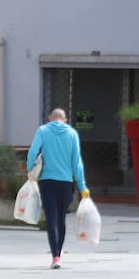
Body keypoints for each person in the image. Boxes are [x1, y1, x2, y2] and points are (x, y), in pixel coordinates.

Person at [27, 109, 88, 270]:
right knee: (61, 219)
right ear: (65, 120)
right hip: (65, 184)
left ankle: (54, 256)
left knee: (51, 219)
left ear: (50, 118)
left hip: (47, 182)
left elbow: (33, 151)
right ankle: (59, 255)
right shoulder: (72, 134)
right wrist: (82, 187)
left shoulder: (43, 130)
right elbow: (77, 162)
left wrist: (30, 169)